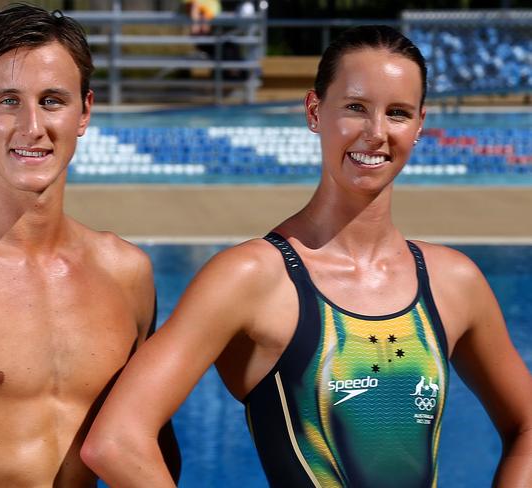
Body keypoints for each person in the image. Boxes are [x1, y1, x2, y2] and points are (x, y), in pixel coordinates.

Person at [80, 25, 532, 487]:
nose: (376, 133)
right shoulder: (252, 278)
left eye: (397, 113)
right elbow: (116, 441)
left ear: (419, 126)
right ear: (315, 111)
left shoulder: (453, 282)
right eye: (355, 108)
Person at [0, 4, 178, 487]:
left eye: (53, 100)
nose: (32, 126)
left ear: (84, 112)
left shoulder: (127, 273)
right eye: (8, 100)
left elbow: (151, 450)